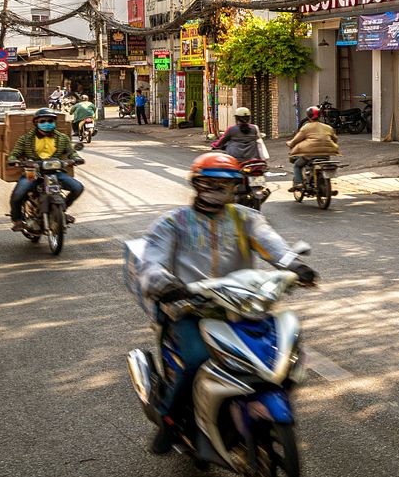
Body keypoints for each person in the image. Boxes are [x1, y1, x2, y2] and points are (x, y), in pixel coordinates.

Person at [136, 152, 317, 456]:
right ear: (197, 184)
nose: (218, 189)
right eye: (211, 182)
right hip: (190, 311)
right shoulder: (173, 223)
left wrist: (295, 267)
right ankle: (168, 420)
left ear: (236, 187)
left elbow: (274, 247)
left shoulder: (246, 218)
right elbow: (151, 263)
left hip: (244, 309)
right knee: (195, 361)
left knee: (286, 357)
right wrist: (166, 284)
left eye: (226, 184)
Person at [7, 107, 85, 228]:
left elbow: (71, 152)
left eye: (50, 121)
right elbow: (14, 153)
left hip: (55, 171)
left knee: (78, 187)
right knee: (18, 193)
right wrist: (14, 160)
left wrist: (76, 158)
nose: (47, 124)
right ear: (36, 123)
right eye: (43, 121)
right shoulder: (26, 138)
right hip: (33, 172)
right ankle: (16, 219)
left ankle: (61, 210)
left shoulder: (62, 138)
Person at [287, 105, 339, 191]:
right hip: (326, 155)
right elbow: (335, 139)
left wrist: (290, 144)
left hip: (310, 155)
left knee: (297, 166)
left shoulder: (306, 127)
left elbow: (295, 140)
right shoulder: (328, 127)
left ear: (308, 116)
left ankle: (299, 183)